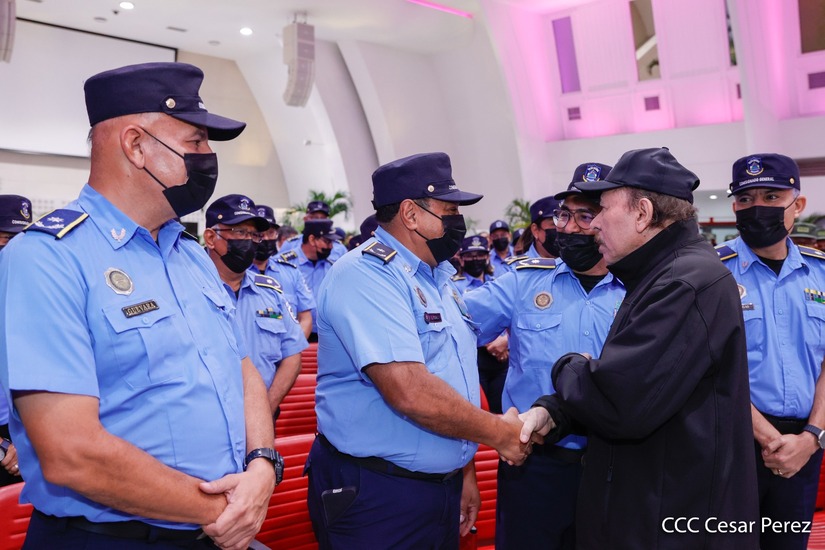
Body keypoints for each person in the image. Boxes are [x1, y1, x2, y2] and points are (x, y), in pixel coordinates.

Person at [0, 62, 281, 549]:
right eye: (196, 141)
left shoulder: (190, 255)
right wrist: (223, 511)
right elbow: (70, 452)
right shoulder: (47, 258)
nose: (208, 158)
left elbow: (241, 369)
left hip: (214, 530)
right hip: (109, 538)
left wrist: (262, 464)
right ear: (135, 145)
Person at [520, 147, 759, 548]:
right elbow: (642, 386)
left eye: (603, 209)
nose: (595, 223)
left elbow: (621, 402)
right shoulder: (661, 274)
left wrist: (569, 365)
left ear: (643, 214)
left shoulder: (682, 282)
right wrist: (557, 412)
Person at [306, 152, 531, 550]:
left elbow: (452, 379)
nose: (458, 222)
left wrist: (463, 471)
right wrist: (500, 433)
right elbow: (409, 390)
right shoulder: (366, 275)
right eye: (450, 210)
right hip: (378, 494)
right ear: (411, 214)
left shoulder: (437, 279)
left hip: (437, 489)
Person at [465, 162, 623, 550]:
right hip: (535, 467)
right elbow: (456, 328)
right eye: (564, 215)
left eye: (585, 215)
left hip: (616, 468)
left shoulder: (638, 289)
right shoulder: (523, 281)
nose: (569, 228)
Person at [717, 153, 825, 550]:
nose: (757, 207)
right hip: (733, 445)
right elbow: (708, 370)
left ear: (798, 204)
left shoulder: (820, 272)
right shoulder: (711, 272)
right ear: (734, 206)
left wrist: (812, 438)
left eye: (771, 196)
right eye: (746, 199)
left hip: (804, 448)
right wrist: (770, 439)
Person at [205, 194, 307, 425]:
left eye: (254, 235)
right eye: (240, 232)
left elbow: (292, 355)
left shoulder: (271, 292)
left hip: (264, 419)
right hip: (207, 424)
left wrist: (264, 410)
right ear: (211, 238)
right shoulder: (187, 288)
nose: (249, 241)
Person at [0, 194, 31, 487]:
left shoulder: (29, 287)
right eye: (7, 238)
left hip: (28, 429)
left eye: (22, 238)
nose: (14, 247)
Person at [250, 204, 316, 338]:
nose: (266, 239)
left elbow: (305, 318)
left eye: (270, 233)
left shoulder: (291, 272)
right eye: (260, 233)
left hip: (287, 347)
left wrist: (293, 347)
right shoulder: (237, 273)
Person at [292, 218, 341, 341]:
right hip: (294, 333)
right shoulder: (286, 265)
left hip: (326, 334)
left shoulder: (332, 266)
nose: (331, 246)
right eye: (327, 241)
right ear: (312, 239)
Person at [280, 200, 347, 260]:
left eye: (323, 218)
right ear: (305, 219)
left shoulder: (339, 248)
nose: (319, 221)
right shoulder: (290, 244)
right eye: (315, 218)